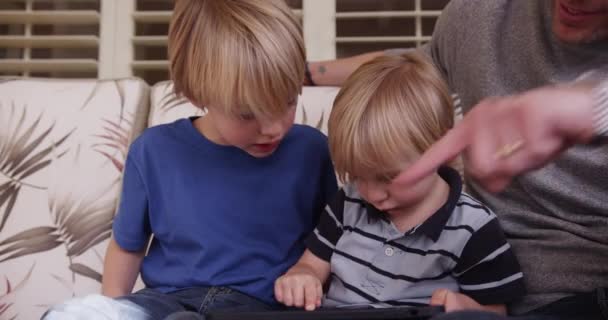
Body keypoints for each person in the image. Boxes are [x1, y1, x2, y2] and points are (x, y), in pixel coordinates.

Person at [305, 0, 608, 319]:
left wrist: (594, 107)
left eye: (386, 177)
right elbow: (411, 66)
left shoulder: (472, 227)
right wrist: (303, 72)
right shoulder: (480, 14)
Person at [43, 0, 337, 319]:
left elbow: (338, 232)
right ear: (198, 94)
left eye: (288, 101)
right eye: (247, 114)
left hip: (261, 307)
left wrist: (309, 273)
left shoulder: (311, 150)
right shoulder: (152, 152)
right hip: (165, 301)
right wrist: (112, 307)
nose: (273, 128)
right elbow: (128, 246)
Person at [274, 52, 526, 316]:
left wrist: (463, 307)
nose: (371, 194)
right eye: (357, 175)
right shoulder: (347, 202)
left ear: (443, 149)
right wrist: (302, 277)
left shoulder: (473, 228)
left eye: (387, 177)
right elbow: (312, 265)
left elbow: (496, 312)